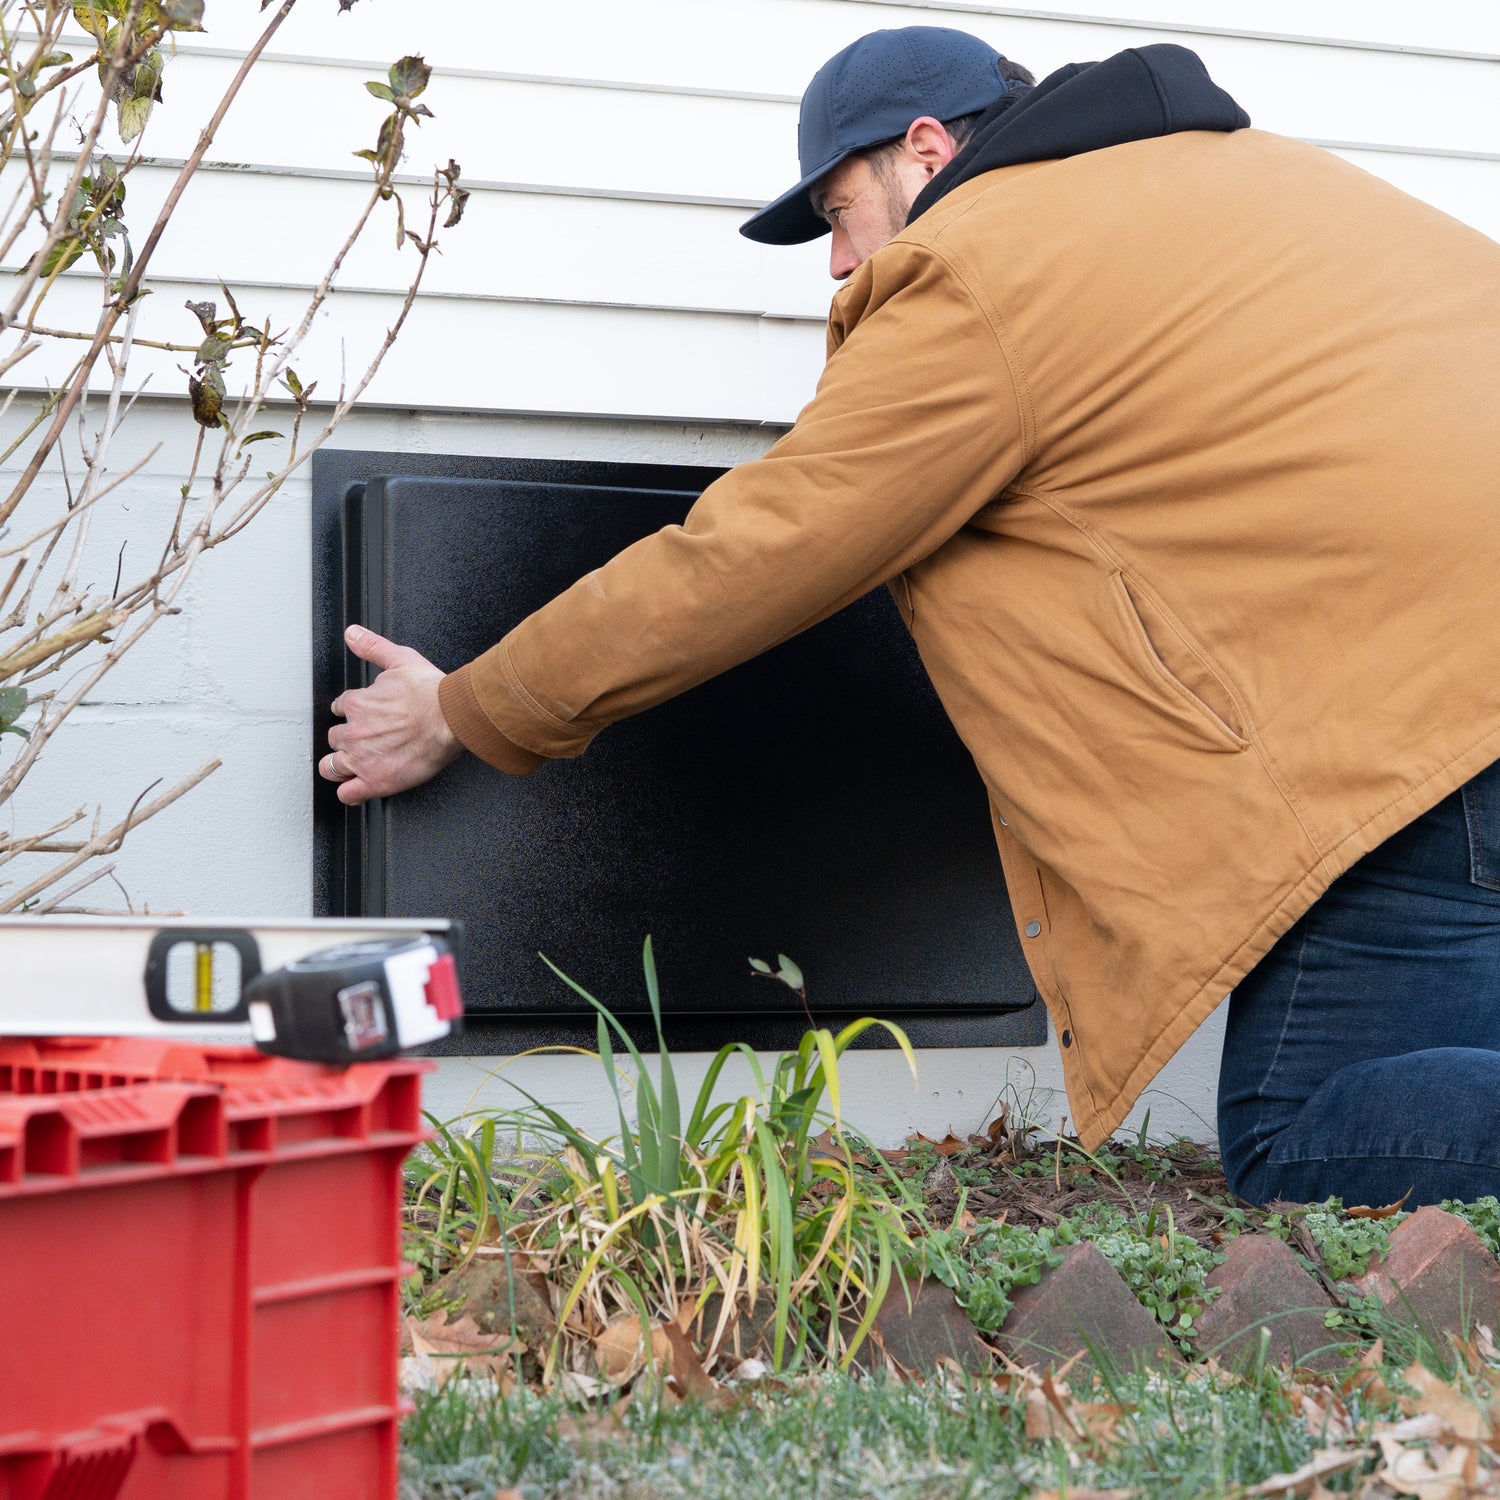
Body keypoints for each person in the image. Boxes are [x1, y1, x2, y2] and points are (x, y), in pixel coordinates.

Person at [320, 27, 1500, 1207]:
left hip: (1431, 726)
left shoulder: (986, 261)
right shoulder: (1263, 180)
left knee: (1304, 1142)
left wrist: (468, 708)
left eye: (840, 212)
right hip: (1452, 686)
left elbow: (764, 546)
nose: (839, 263)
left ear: (924, 152)